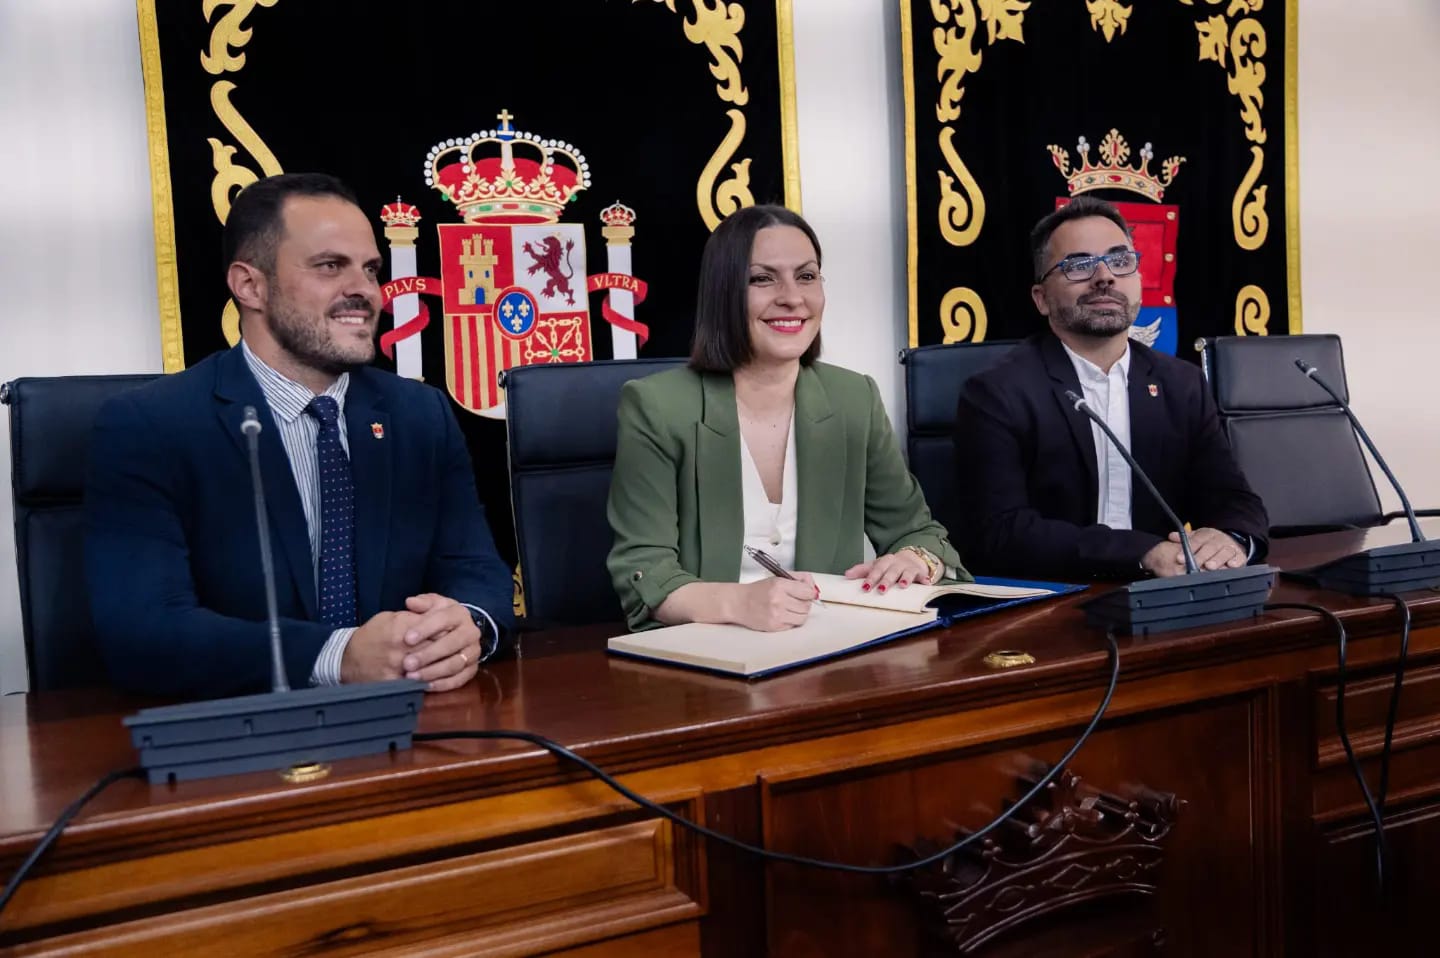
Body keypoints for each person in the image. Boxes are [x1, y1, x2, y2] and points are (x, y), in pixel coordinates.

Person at [85, 173, 514, 699]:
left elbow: (476, 571)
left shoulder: (419, 414)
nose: (364, 290)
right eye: (330, 266)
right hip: (239, 745)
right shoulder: (150, 426)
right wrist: (335, 656)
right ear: (250, 286)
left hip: (418, 725)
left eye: (370, 269)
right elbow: (143, 633)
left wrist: (465, 628)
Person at [607, 204, 965, 631]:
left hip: (828, 656)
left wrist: (912, 559)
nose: (792, 297)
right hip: (706, 662)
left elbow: (921, 534)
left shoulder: (854, 398)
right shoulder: (657, 406)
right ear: (723, 292)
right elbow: (645, 572)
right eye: (762, 278)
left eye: (807, 276)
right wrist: (738, 603)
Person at [953, 195, 1269, 582]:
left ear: (1137, 281)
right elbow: (1000, 533)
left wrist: (1229, 539)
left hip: (1165, 594)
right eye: (1080, 265)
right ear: (1041, 299)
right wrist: (1142, 553)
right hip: (1050, 600)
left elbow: (1234, 499)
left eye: (1120, 261)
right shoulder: (997, 391)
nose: (1105, 276)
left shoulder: (1181, 383)